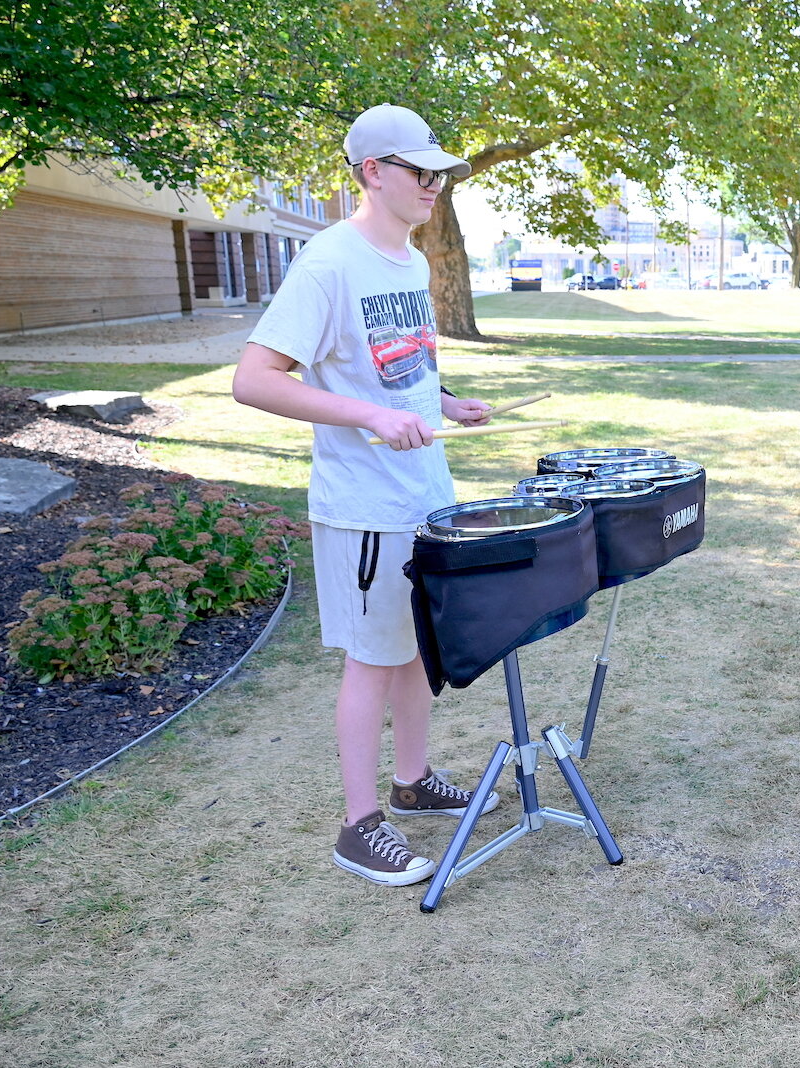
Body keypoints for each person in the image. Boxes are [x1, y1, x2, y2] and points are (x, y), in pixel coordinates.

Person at [233, 104, 500, 887]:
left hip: (423, 493)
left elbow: (404, 361)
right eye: (420, 171)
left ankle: (412, 783)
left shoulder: (412, 262)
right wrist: (370, 416)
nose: (435, 185)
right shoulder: (327, 263)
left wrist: (442, 401)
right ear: (370, 173)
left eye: (440, 173)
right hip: (363, 506)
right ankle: (358, 828)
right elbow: (254, 380)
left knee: (419, 649)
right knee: (371, 661)